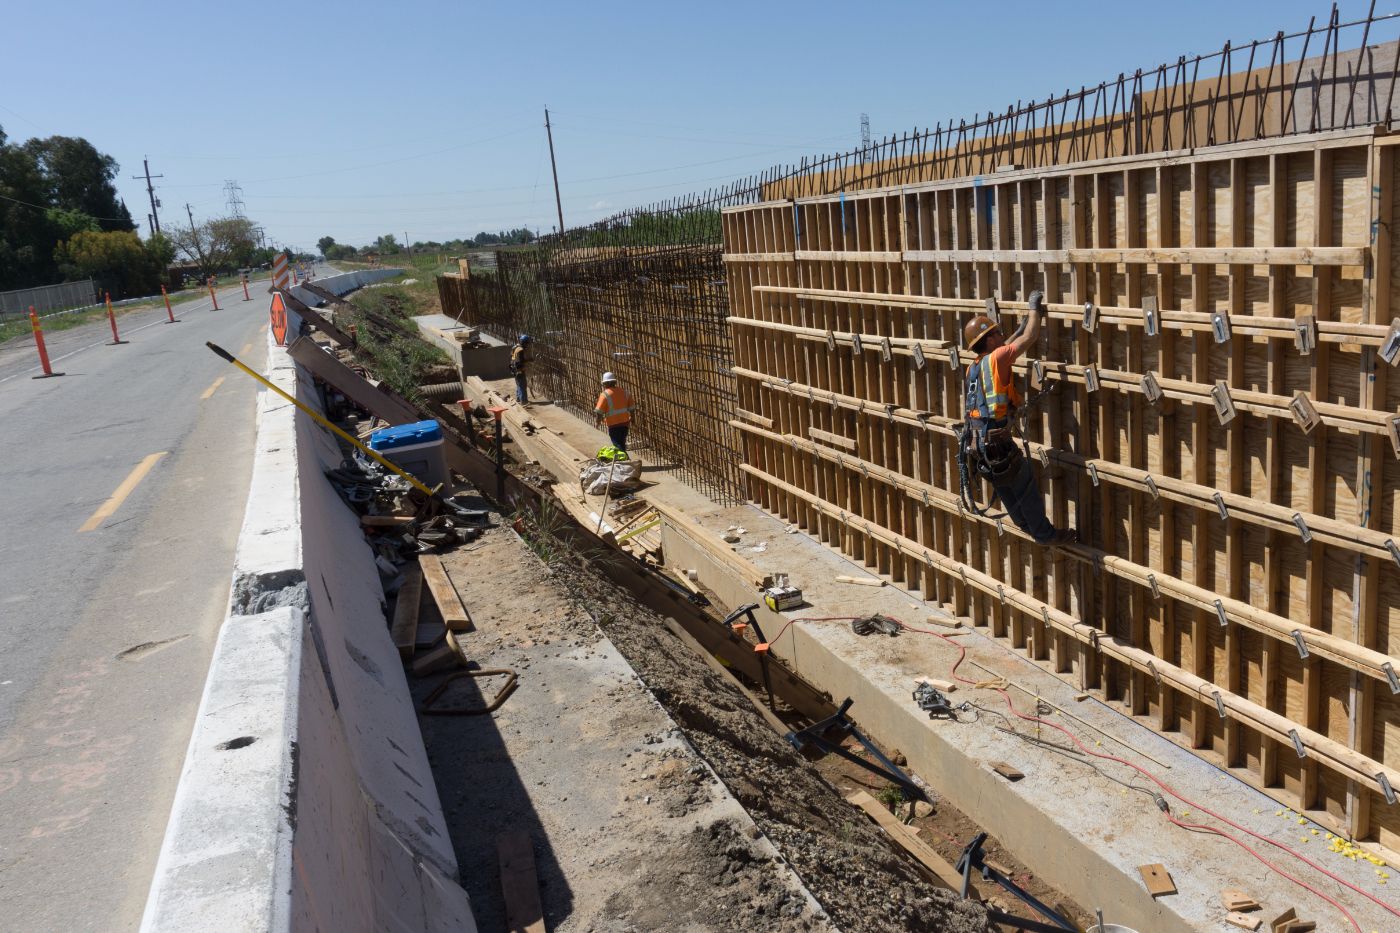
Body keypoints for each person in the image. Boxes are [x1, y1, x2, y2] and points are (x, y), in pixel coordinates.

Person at [962, 291, 1075, 546]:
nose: (1001, 335)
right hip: (997, 442)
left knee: (1004, 483)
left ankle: (1025, 524)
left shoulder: (974, 367)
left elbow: (1006, 346)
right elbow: (1030, 337)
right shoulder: (998, 359)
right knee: (1024, 484)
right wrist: (1034, 309)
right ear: (989, 340)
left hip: (978, 444)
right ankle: (1045, 535)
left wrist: (1019, 328)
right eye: (997, 333)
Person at [594, 372, 634, 451]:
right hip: (625, 423)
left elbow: (599, 412)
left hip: (613, 425)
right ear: (615, 382)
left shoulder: (604, 395)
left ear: (605, 383)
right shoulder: (625, 392)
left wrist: (597, 422)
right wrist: (633, 419)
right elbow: (632, 408)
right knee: (621, 443)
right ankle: (623, 456)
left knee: (617, 445)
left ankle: (623, 457)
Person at [510, 334, 531, 404]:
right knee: (522, 385)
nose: (527, 345)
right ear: (524, 342)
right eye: (527, 343)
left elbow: (511, 356)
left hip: (513, 368)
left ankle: (519, 398)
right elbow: (522, 361)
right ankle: (524, 401)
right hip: (519, 369)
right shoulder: (521, 349)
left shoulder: (514, 347)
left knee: (518, 384)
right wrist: (529, 360)